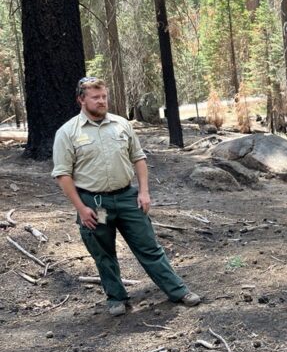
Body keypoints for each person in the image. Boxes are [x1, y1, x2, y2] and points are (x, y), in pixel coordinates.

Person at [52, 77, 200, 316]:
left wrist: (143, 192)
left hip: (127, 199)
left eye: (104, 96)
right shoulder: (68, 132)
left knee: (149, 247)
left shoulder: (121, 125)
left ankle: (178, 291)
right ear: (81, 99)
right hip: (95, 205)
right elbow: (63, 175)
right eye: (95, 97)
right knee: (103, 252)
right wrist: (80, 208)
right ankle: (116, 298)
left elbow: (138, 158)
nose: (102, 101)